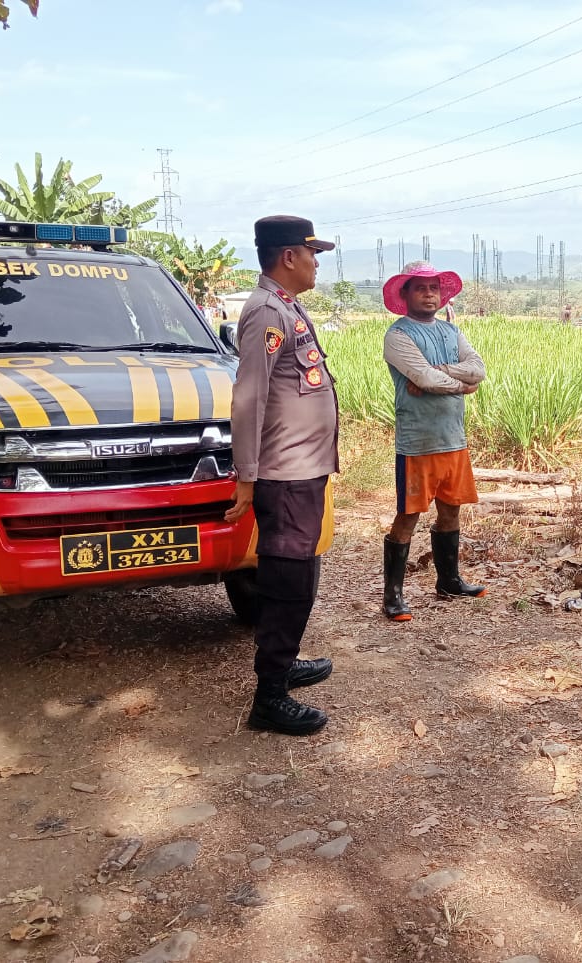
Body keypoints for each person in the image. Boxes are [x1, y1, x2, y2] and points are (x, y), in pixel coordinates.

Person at [226, 215, 339, 737]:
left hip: (303, 468)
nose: (317, 263)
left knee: (299, 573)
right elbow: (249, 396)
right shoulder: (268, 311)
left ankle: (284, 662)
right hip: (285, 472)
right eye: (312, 253)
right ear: (289, 256)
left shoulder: (285, 305)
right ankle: (269, 697)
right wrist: (246, 474)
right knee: (288, 579)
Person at [380, 261, 487, 622]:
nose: (429, 295)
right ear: (406, 294)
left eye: (434, 289)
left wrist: (439, 373)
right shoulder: (398, 335)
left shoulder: (451, 331)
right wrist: (463, 387)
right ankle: (393, 596)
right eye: (420, 288)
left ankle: (449, 581)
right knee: (408, 515)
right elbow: (423, 379)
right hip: (418, 441)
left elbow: (478, 369)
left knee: (451, 509)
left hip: (452, 437)